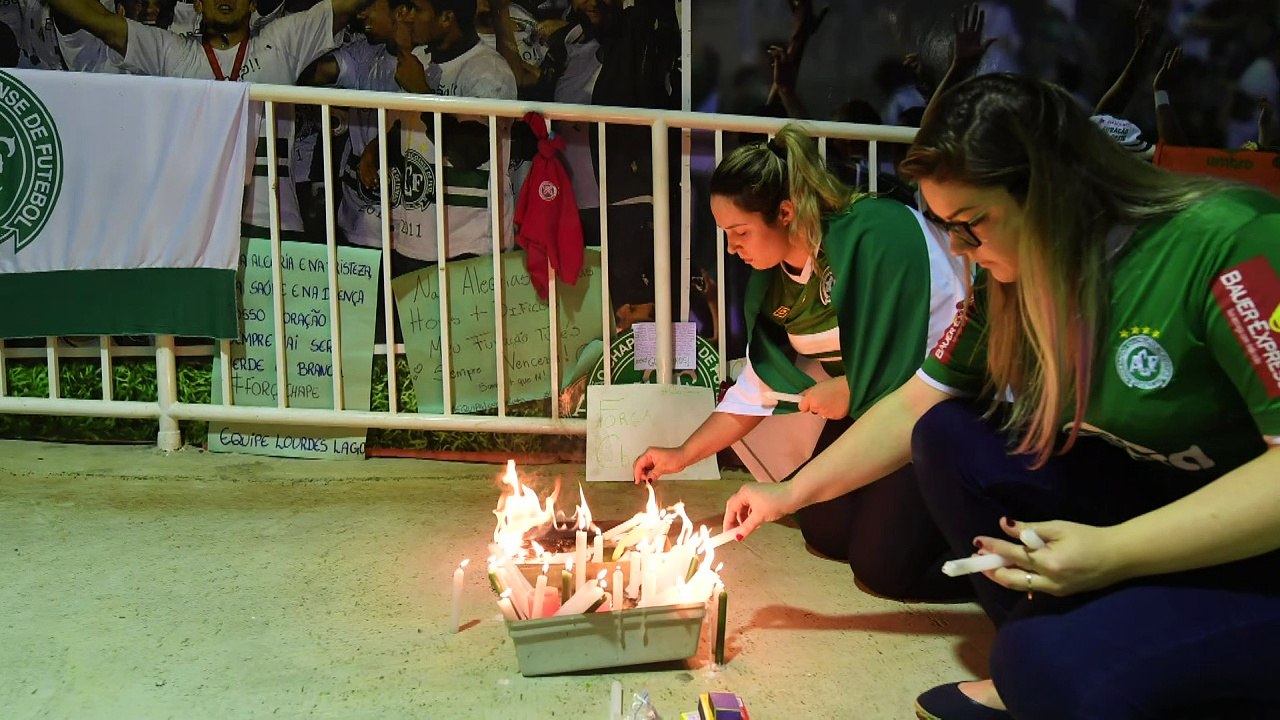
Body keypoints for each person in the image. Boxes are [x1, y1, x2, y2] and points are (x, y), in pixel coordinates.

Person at [722, 74, 1280, 719]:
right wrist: (785, 493)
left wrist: (1112, 554)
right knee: (949, 436)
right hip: (1144, 492)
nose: (960, 248)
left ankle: (1077, 644)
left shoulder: (1234, 242)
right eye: (947, 227)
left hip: (1249, 543)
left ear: (1053, 190)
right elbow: (914, 406)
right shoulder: (1007, 272)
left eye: (972, 224)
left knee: (1035, 667)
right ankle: (1072, 628)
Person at [633, 123, 971, 603]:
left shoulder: (875, 236)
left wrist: (853, 389)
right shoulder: (774, 281)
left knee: (882, 565)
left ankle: (994, 569)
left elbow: (922, 351)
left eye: (740, 232)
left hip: (939, 406)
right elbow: (756, 390)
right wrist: (681, 456)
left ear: (785, 213)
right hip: (874, 401)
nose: (732, 248)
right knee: (824, 528)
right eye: (725, 234)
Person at [46, 0, 370, 239]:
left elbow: (348, 7)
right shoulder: (169, 51)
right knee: (196, 333)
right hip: (194, 231)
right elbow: (101, 21)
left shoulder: (284, 40)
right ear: (197, 3)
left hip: (274, 224)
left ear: (254, 3)